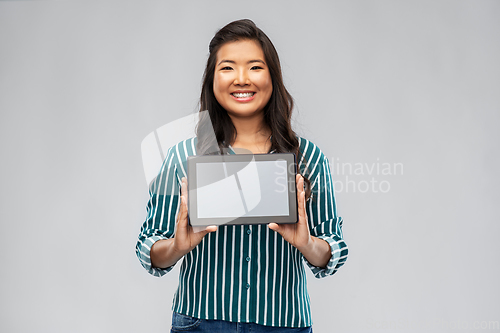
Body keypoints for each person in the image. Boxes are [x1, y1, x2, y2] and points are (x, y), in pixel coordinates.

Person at [136, 19, 348, 333]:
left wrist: (307, 243)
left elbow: (333, 249)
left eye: (255, 67)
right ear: (212, 80)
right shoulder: (183, 156)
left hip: (283, 324)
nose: (241, 79)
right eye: (228, 68)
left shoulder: (308, 158)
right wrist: (177, 247)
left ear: (272, 78)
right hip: (201, 323)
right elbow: (148, 246)